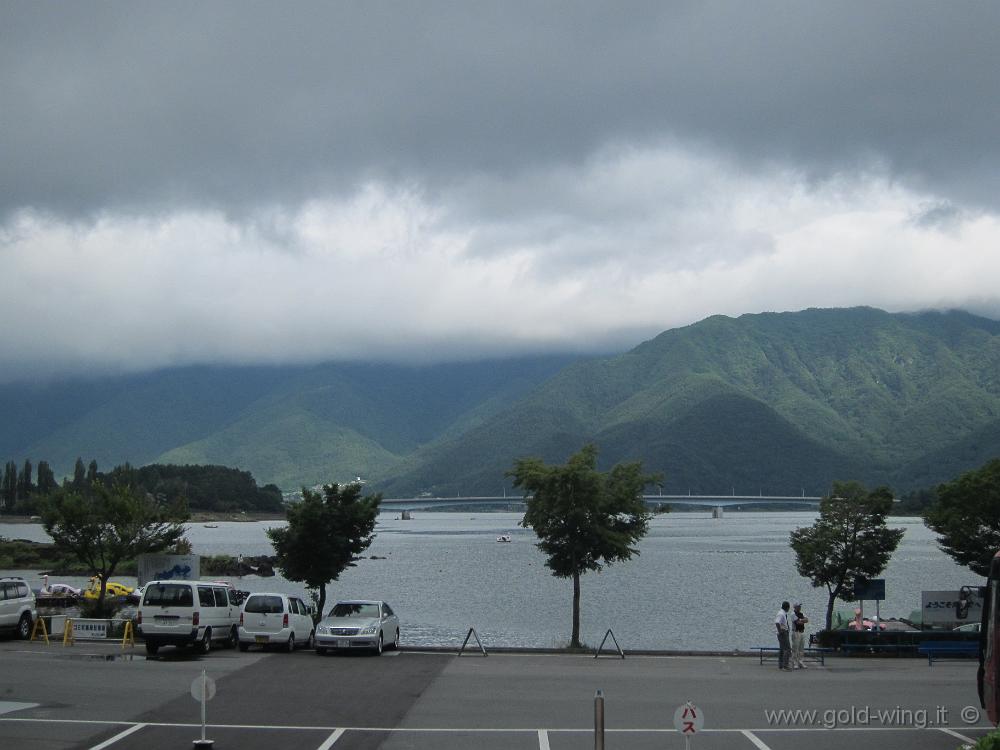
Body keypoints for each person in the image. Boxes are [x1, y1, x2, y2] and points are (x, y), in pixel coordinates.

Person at [791, 603, 809, 669]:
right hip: (796, 632)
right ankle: (795, 663)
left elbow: (807, 620)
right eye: (798, 606)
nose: (800, 607)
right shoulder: (793, 614)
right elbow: (797, 623)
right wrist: (802, 620)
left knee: (801, 648)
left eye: (800, 606)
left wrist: (801, 620)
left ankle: (800, 662)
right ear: (795, 607)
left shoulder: (802, 613)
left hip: (802, 632)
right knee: (795, 648)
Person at [775, 601, 792, 670]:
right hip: (783, 633)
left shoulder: (782, 613)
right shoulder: (781, 614)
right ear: (787, 608)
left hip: (783, 632)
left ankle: (781, 665)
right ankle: (785, 665)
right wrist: (780, 631)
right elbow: (777, 622)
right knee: (787, 649)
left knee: (782, 649)